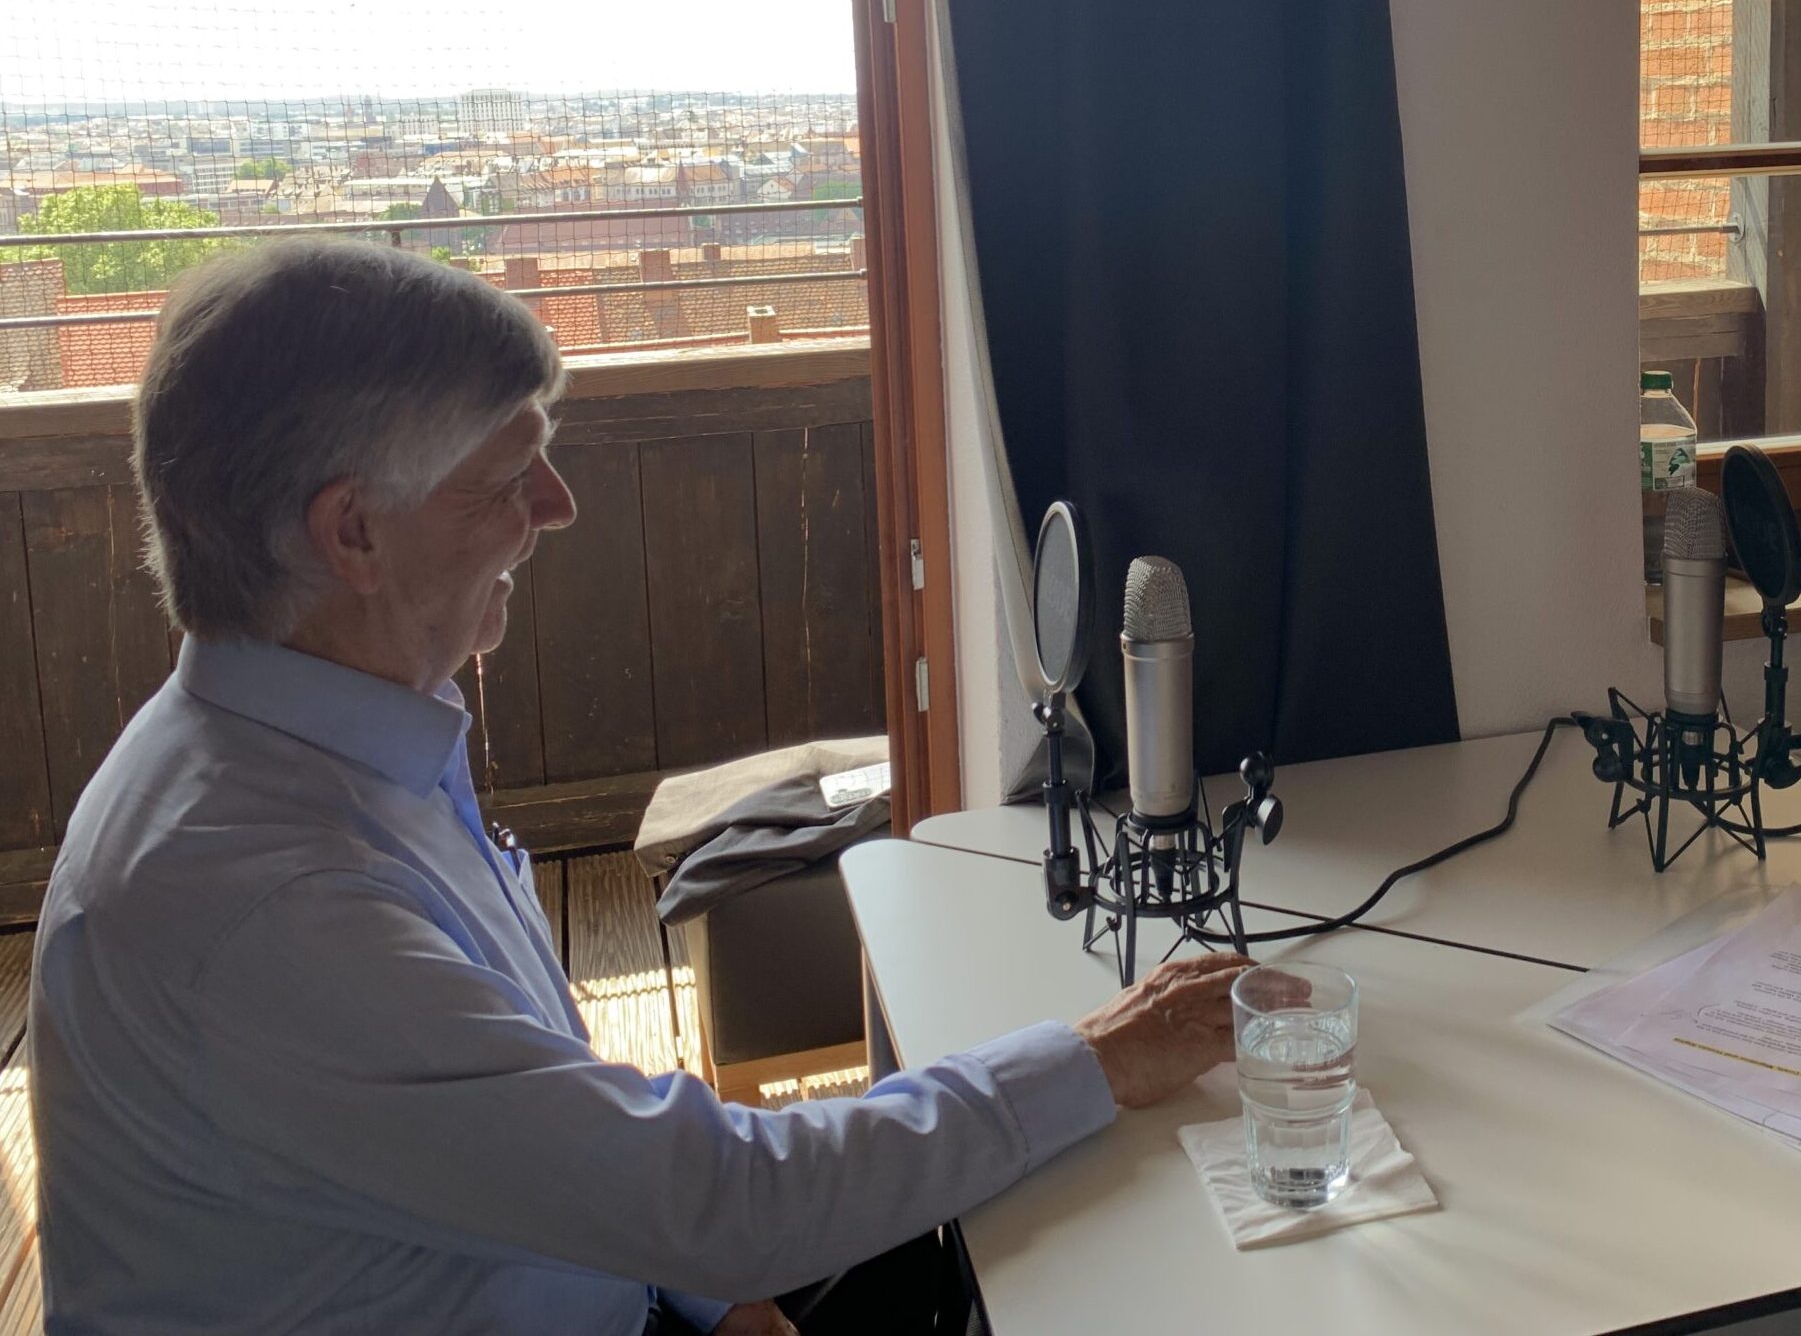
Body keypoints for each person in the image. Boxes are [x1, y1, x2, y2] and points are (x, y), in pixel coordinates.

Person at [29, 238, 1251, 1336]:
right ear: (353, 534)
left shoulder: (322, 750)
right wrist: (1095, 1056)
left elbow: (553, 1142)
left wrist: (712, 1290)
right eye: (510, 477)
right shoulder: (257, 906)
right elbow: (712, 1195)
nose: (555, 509)